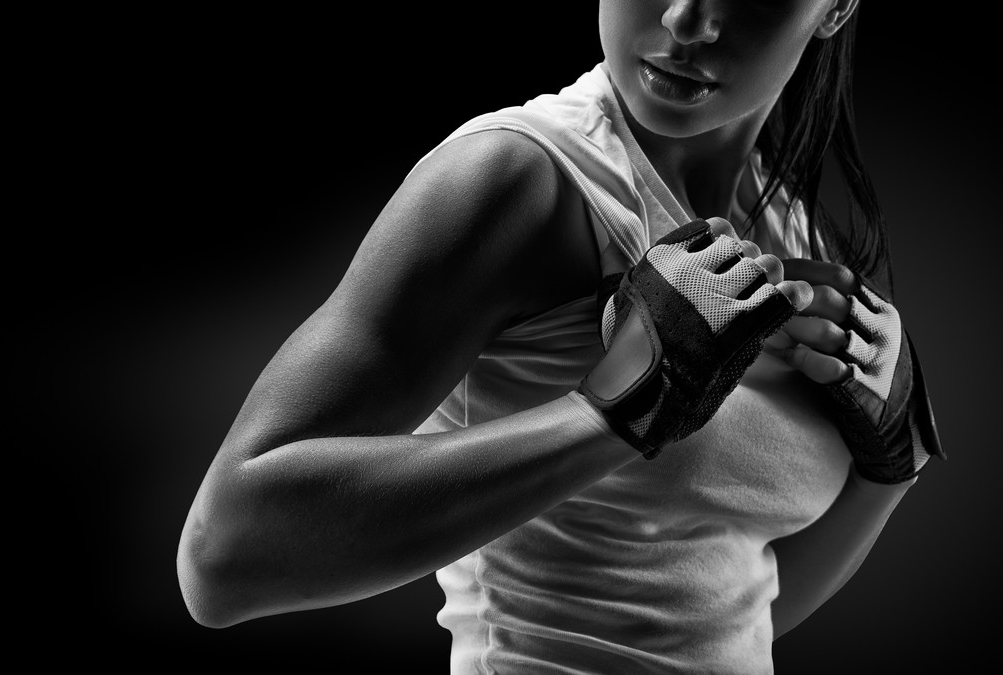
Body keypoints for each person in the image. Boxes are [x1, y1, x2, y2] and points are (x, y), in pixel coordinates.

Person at [176, 1, 945, 672]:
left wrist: (890, 466)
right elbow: (225, 556)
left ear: (836, 8)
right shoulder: (516, 178)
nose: (686, 21)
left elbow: (718, 619)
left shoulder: (786, 222)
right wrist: (610, 411)